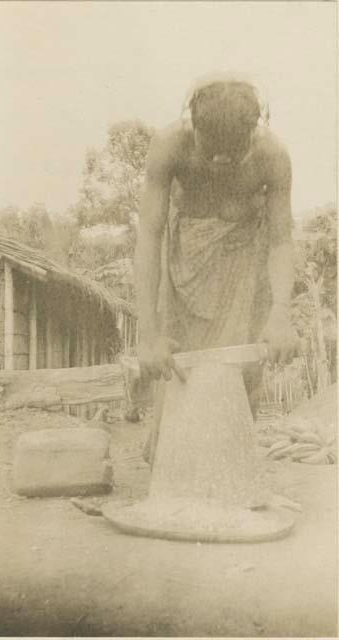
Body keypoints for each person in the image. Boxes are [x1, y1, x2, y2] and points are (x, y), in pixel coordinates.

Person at [134, 72, 299, 464]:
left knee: (241, 367)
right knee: (178, 364)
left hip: (246, 263)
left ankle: (230, 465)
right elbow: (149, 237)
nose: (221, 162)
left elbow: (280, 241)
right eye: (210, 153)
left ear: (253, 133)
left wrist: (280, 314)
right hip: (184, 266)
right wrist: (148, 332)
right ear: (193, 126)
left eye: (233, 154)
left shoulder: (273, 156)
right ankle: (173, 458)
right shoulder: (170, 145)